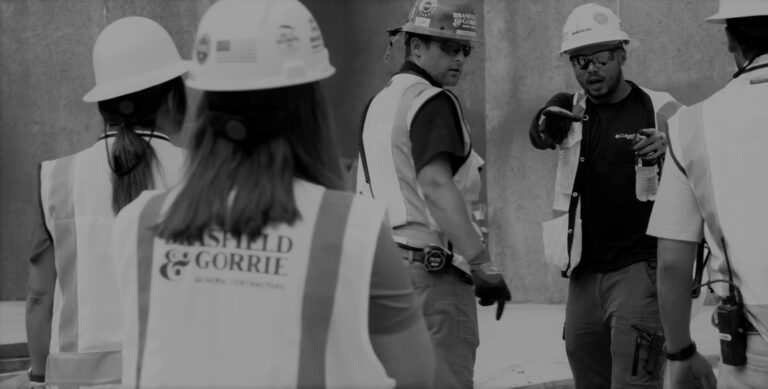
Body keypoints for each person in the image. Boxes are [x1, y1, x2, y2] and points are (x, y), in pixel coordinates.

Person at [110, 1, 434, 388]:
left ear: (207, 99)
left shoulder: (137, 224)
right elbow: (414, 377)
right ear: (309, 104)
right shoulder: (354, 230)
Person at [24, 16, 188, 387]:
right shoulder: (201, 173)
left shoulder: (56, 179)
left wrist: (37, 377)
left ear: (103, 105)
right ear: (172, 97)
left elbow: (38, 295)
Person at [356, 0, 511, 387]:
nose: (458, 58)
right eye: (447, 47)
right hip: (429, 276)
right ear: (415, 46)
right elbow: (436, 186)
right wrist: (483, 264)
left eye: (465, 49)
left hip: (381, 274)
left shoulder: (379, 104)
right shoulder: (432, 101)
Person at [529, 3, 683, 388]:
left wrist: (672, 146)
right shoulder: (569, 110)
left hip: (639, 270)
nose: (591, 69)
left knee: (635, 381)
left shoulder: (659, 107)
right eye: (580, 61)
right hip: (582, 274)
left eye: (600, 58)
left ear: (621, 55)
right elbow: (539, 134)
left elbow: (704, 158)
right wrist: (547, 120)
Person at [648, 1, 768, 388]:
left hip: (753, 347)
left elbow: (671, 262)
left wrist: (680, 352)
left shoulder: (691, 125)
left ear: (731, 39)